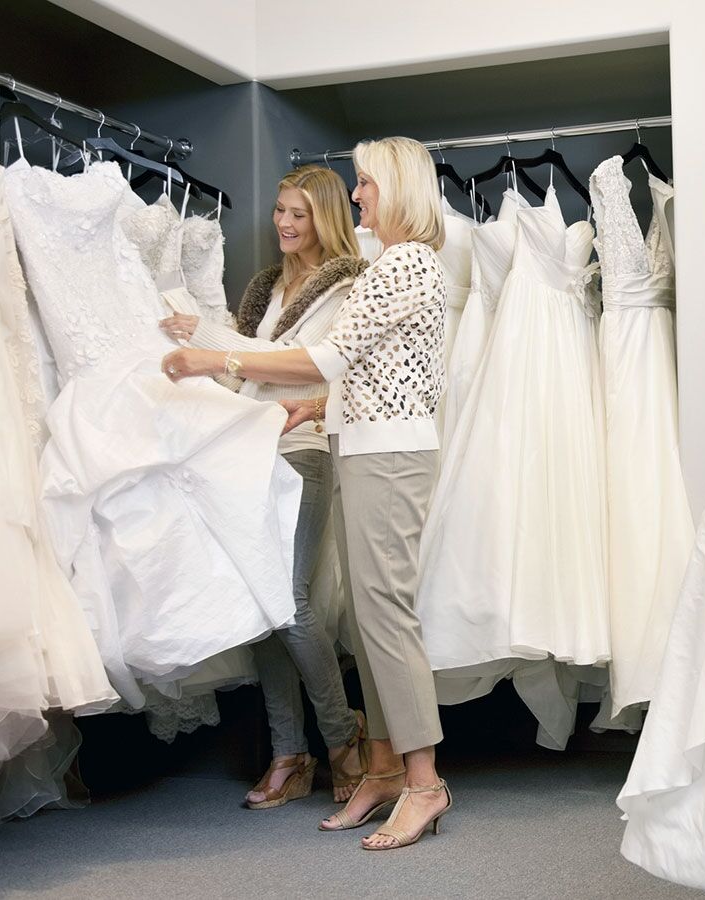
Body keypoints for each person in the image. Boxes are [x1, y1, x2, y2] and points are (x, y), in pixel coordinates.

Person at [162, 136, 451, 851]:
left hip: (388, 459)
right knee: (370, 621)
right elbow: (386, 371)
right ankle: (382, 767)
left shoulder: (404, 263)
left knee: (387, 620)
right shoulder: (398, 265)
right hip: (368, 448)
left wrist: (213, 354)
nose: (357, 197)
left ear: (400, 190)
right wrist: (319, 409)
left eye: (366, 185)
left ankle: (425, 782)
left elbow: (328, 357)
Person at [159, 165, 370, 810]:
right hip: (249, 450)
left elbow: (303, 366)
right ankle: (288, 752)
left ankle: (341, 739)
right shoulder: (268, 288)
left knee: (291, 601)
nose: (283, 223)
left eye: (298, 214)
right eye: (280, 210)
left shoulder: (347, 286)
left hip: (303, 451)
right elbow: (254, 370)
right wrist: (199, 337)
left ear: (324, 219)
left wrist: (209, 346)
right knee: (260, 602)